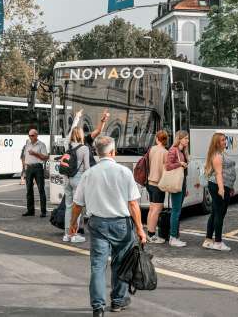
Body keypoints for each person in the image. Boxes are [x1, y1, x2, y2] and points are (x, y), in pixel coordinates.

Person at [69, 136, 147, 316]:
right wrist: (140, 230)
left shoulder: (89, 174)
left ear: (96, 152)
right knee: (121, 263)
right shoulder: (124, 172)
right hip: (121, 224)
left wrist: (73, 224)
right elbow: (133, 204)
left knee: (98, 266)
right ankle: (118, 301)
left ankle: (98, 307)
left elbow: (77, 204)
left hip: (97, 224)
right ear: (113, 152)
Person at [203, 132, 235, 251]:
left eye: (225, 139)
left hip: (223, 185)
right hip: (218, 185)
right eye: (222, 140)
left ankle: (208, 240)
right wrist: (221, 188)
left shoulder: (221, 153)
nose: (225, 142)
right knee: (220, 213)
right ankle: (218, 242)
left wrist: (230, 187)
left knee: (215, 212)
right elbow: (218, 173)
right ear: (216, 142)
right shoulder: (217, 155)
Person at [63, 127, 91, 243]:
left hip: (66, 178)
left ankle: (67, 234)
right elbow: (87, 168)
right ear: (81, 135)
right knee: (77, 208)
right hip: (77, 179)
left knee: (68, 207)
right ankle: (74, 234)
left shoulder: (67, 146)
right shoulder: (84, 148)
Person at [164, 130, 189, 247]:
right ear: (179, 138)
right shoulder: (173, 150)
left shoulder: (182, 151)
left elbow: (184, 173)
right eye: (185, 138)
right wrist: (181, 164)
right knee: (176, 211)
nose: (187, 140)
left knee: (178, 211)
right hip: (176, 184)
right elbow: (168, 166)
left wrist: (186, 187)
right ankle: (173, 237)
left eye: (188, 138)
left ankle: (175, 236)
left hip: (181, 184)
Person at [145, 130, 169, 243]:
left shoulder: (152, 149)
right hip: (158, 184)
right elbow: (165, 170)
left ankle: (149, 233)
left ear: (157, 139)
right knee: (157, 210)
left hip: (149, 182)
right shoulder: (165, 152)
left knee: (151, 209)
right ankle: (152, 234)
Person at [22, 127, 49, 217]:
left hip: (38, 167)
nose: (30, 137)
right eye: (29, 135)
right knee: (29, 190)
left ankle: (43, 211)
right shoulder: (27, 143)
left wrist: (35, 153)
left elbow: (45, 157)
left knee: (41, 189)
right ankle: (30, 211)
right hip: (29, 168)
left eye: (32, 135)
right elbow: (24, 156)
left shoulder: (41, 145)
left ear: (36, 135)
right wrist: (24, 167)